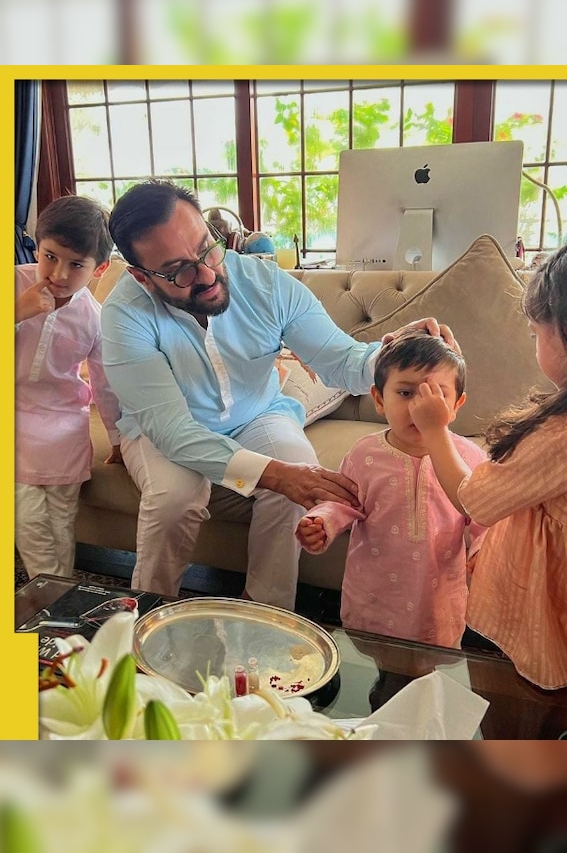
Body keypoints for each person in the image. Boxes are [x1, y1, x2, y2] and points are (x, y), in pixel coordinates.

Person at [101, 179, 439, 610]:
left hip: (257, 414)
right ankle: (147, 610)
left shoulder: (267, 285)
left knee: (299, 470)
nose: (206, 275)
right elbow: (172, 431)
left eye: (208, 248)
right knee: (175, 501)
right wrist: (274, 474)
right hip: (161, 430)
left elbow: (342, 361)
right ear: (142, 277)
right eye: (178, 270)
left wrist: (402, 355)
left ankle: (265, 613)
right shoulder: (122, 315)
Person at [410, 229, 567, 700]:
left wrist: (435, 430)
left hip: (535, 629)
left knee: (514, 710)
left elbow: (474, 500)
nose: (533, 343)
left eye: (534, 334)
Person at [295, 329, 488, 647]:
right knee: (376, 666)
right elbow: (343, 501)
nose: (419, 408)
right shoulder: (365, 454)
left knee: (434, 670)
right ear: (379, 400)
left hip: (439, 595)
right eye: (406, 393)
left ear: (456, 404)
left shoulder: (468, 456)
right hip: (375, 591)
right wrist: (322, 521)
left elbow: (484, 518)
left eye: (435, 395)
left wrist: (483, 552)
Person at [15, 195, 122, 579]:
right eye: (50, 256)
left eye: (76, 264)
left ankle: (57, 593)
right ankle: (53, 595)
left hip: (64, 425)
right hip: (14, 420)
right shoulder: (12, 282)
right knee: (28, 519)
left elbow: (105, 383)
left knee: (60, 521)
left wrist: (119, 440)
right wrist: (17, 311)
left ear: (100, 268)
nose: (59, 274)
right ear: (37, 247)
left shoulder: (94, 317)